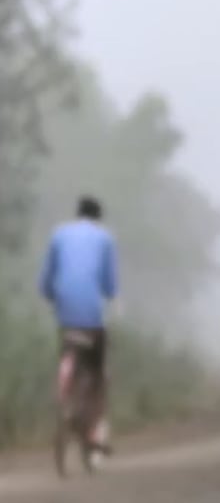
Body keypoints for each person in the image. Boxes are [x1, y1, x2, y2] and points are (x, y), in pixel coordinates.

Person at [39, 195, 118, 459]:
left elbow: (46, 281)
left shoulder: (59, 235)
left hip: (65, 315)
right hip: (92, 317)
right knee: (98, 374)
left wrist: (52, 295)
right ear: (98, 217)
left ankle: (65, 395)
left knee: (69, 348)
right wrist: (106, 294)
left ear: (77, 214)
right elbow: (110, 286)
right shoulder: (105, 238)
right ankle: (94, 429)